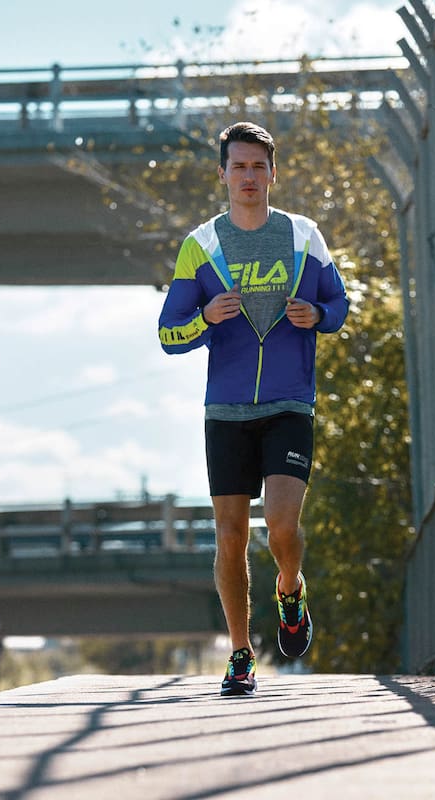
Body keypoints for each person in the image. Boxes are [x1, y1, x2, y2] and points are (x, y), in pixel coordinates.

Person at [157, 121, 350, 697]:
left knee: (283, 526)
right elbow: (169, 334)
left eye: (257, 166)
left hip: (290, 402)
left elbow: (339, 302)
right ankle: (240, 653)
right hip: (227, 410)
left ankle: (291, 589)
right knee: (231, 534)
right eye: (237, 166)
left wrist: (317, 317)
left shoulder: (303, 237)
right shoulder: (201, 246)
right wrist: (205, 318)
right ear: (222, 175)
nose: (248, 176)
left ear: (273, 173)